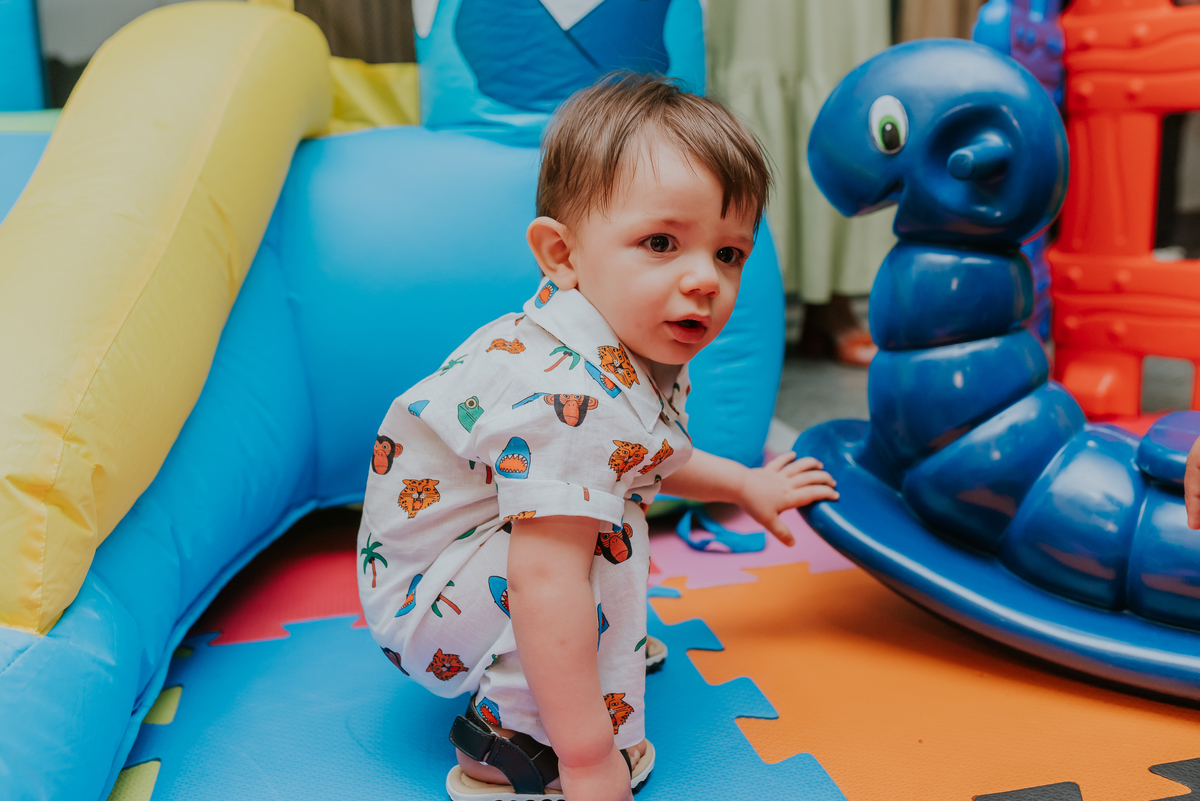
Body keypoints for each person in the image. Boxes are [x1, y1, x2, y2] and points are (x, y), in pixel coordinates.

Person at [356, 73, 839, 801]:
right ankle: (515, 739)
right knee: (590, 541)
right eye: (661, 242)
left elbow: (648, 456)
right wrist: (588, 759)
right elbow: (541, 580)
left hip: (462, 561)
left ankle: (596, 651)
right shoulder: (564, 392)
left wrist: (746, 484)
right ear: (563, 255)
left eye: (729, 252)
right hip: (430, 604)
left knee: (600, 507)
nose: (705, 279)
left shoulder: (625, 341)